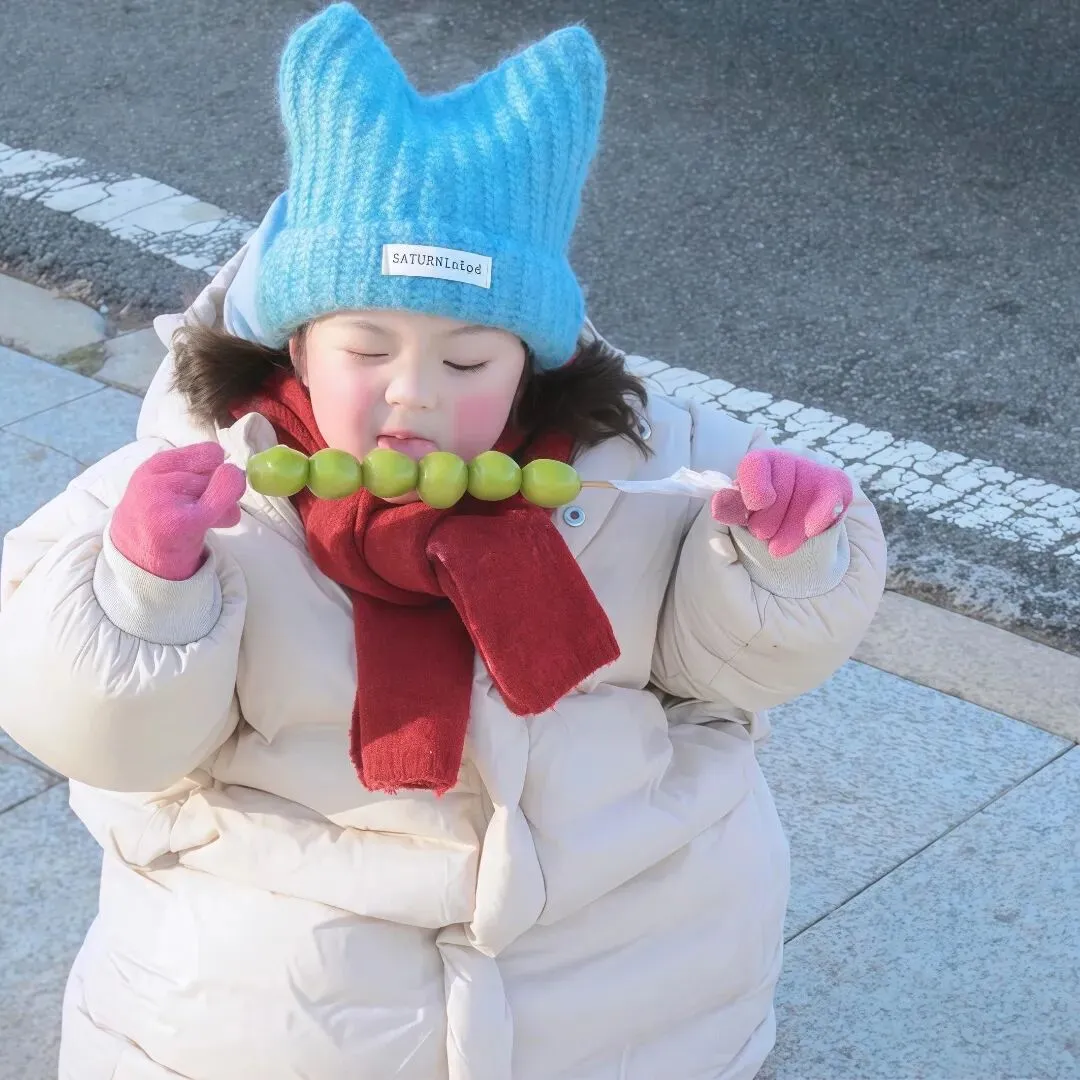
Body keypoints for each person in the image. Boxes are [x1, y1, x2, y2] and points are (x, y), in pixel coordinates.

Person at [0, 5, 887, 1078]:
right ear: (296, 345)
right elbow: (96, 733)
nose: (413, 394)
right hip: (291, 969)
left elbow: (736, 666)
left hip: (613, 959)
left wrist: (786, 564)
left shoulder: (650, 469)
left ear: (533, 362)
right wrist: (146, 594)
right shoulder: (199, 489)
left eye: (468, 363)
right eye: (366, 350)